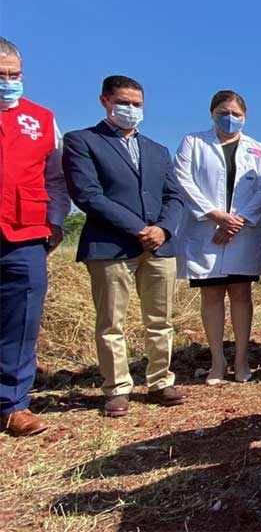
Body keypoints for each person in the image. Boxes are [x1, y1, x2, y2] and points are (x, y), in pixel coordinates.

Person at [63, 75, 186, 417]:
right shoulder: (82, 141)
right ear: (105, 101)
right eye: (124, 102)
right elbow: (88, 195)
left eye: (137, 104)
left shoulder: (157, 150)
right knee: (111, 322)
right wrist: (138, 228)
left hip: (159, 247)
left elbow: (173, 195)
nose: (131, 109)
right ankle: (117, 387)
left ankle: (161, 380)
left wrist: (162, 228)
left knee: (160, 319)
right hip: (111, 245)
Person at [173, 90, 261, 384]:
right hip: (207, 229)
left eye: (236, 114)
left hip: (243, 231)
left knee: (241, 294)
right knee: (213, 295)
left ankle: (242, 359)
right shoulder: (193, 143)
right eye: (223, 112)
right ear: (212, 114)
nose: (230, 118)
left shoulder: (257, 148)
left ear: (245, 117)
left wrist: (237, 220)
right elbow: (182, 179)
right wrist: (215, 215)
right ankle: (218, 360)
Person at [0, 37, 71, 436]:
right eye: (1, 76)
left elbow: (56, 178)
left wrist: (56, 220)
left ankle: (12, 404)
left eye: (15, 75)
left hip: (25, 232)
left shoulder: (41, 119)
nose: (8, 82)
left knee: (21, 319)